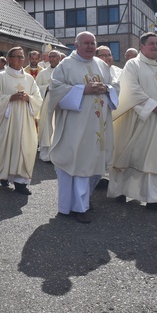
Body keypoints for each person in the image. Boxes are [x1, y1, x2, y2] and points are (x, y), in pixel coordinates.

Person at [47, 33, 117, 222]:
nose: (89, 46)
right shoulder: (65, 66)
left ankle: (83, 201)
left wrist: (107, 89)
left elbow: (114, 85)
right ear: (76, 45)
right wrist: (83, 90)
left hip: (97, 126)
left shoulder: (102, 65)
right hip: (75, 126)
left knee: (93, 163)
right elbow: (55, 91)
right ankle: (78, 207)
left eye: (92, 43)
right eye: (85, 43)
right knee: (78, 163)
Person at [107, 32, 157, 214]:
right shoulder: (133, 65)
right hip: (139, 119)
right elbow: (131, 89)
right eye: (151, 44)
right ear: (142, 46)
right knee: (130, 155)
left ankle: (154, 198)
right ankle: (120, 191)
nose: (155, 46)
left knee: (155, 158)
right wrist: (154, 106)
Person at [0, 47, 43, 194]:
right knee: (8, 147)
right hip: (8, 120)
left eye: (22, 57)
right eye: (17, 57)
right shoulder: (1, 77)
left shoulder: (29, 78)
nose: (20, 60)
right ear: (9, 59)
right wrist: (10, 98)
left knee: (26, 147)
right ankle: (5, 175)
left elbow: (38, 98)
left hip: (26, 119)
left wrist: (28, 98)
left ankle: (21, 183)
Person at [37, 50, 63, 163]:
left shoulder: (64, 72)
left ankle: (60, 154)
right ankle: (46, 155)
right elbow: (36, 88)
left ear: (59, 58)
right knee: (47, 128)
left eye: (54, 57)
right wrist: (47, 87)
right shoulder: (42, 73)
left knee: (60, 127)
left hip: (61, 105)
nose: (52, 59)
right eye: (50, 57)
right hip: (47, 105)